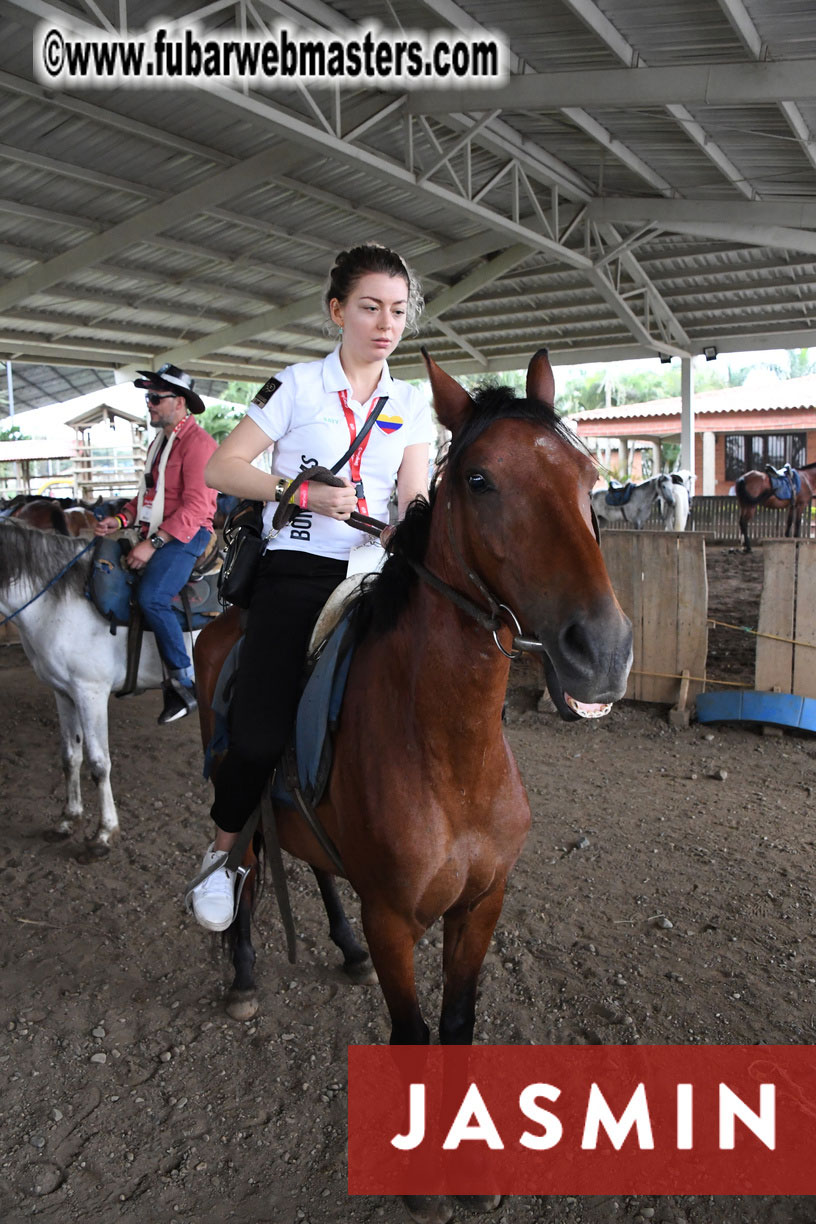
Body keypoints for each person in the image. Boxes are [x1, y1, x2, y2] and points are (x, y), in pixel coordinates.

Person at [187, 242, 433, 932]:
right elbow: (223, 470)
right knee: (261, 732)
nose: (385, 324)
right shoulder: (295, 385)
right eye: (369, 308)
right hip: (296, 570)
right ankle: (222, 851)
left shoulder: (411, 402)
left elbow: (412, 494)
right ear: (337, 311)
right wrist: (298, 491)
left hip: (377, 573)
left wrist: (405, 530)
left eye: (397, 311)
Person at [95, 364, 218, 725]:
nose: (149, 404)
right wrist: (118, 521)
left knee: (152, 597)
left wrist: (153, 543)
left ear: (179, 403)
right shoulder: (160, 444)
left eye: (154, 398)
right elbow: (144, 499)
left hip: (188, 533)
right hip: (160, 529)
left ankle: (184, 682)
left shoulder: (199, 445)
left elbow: (197, 506)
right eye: (148, 398)